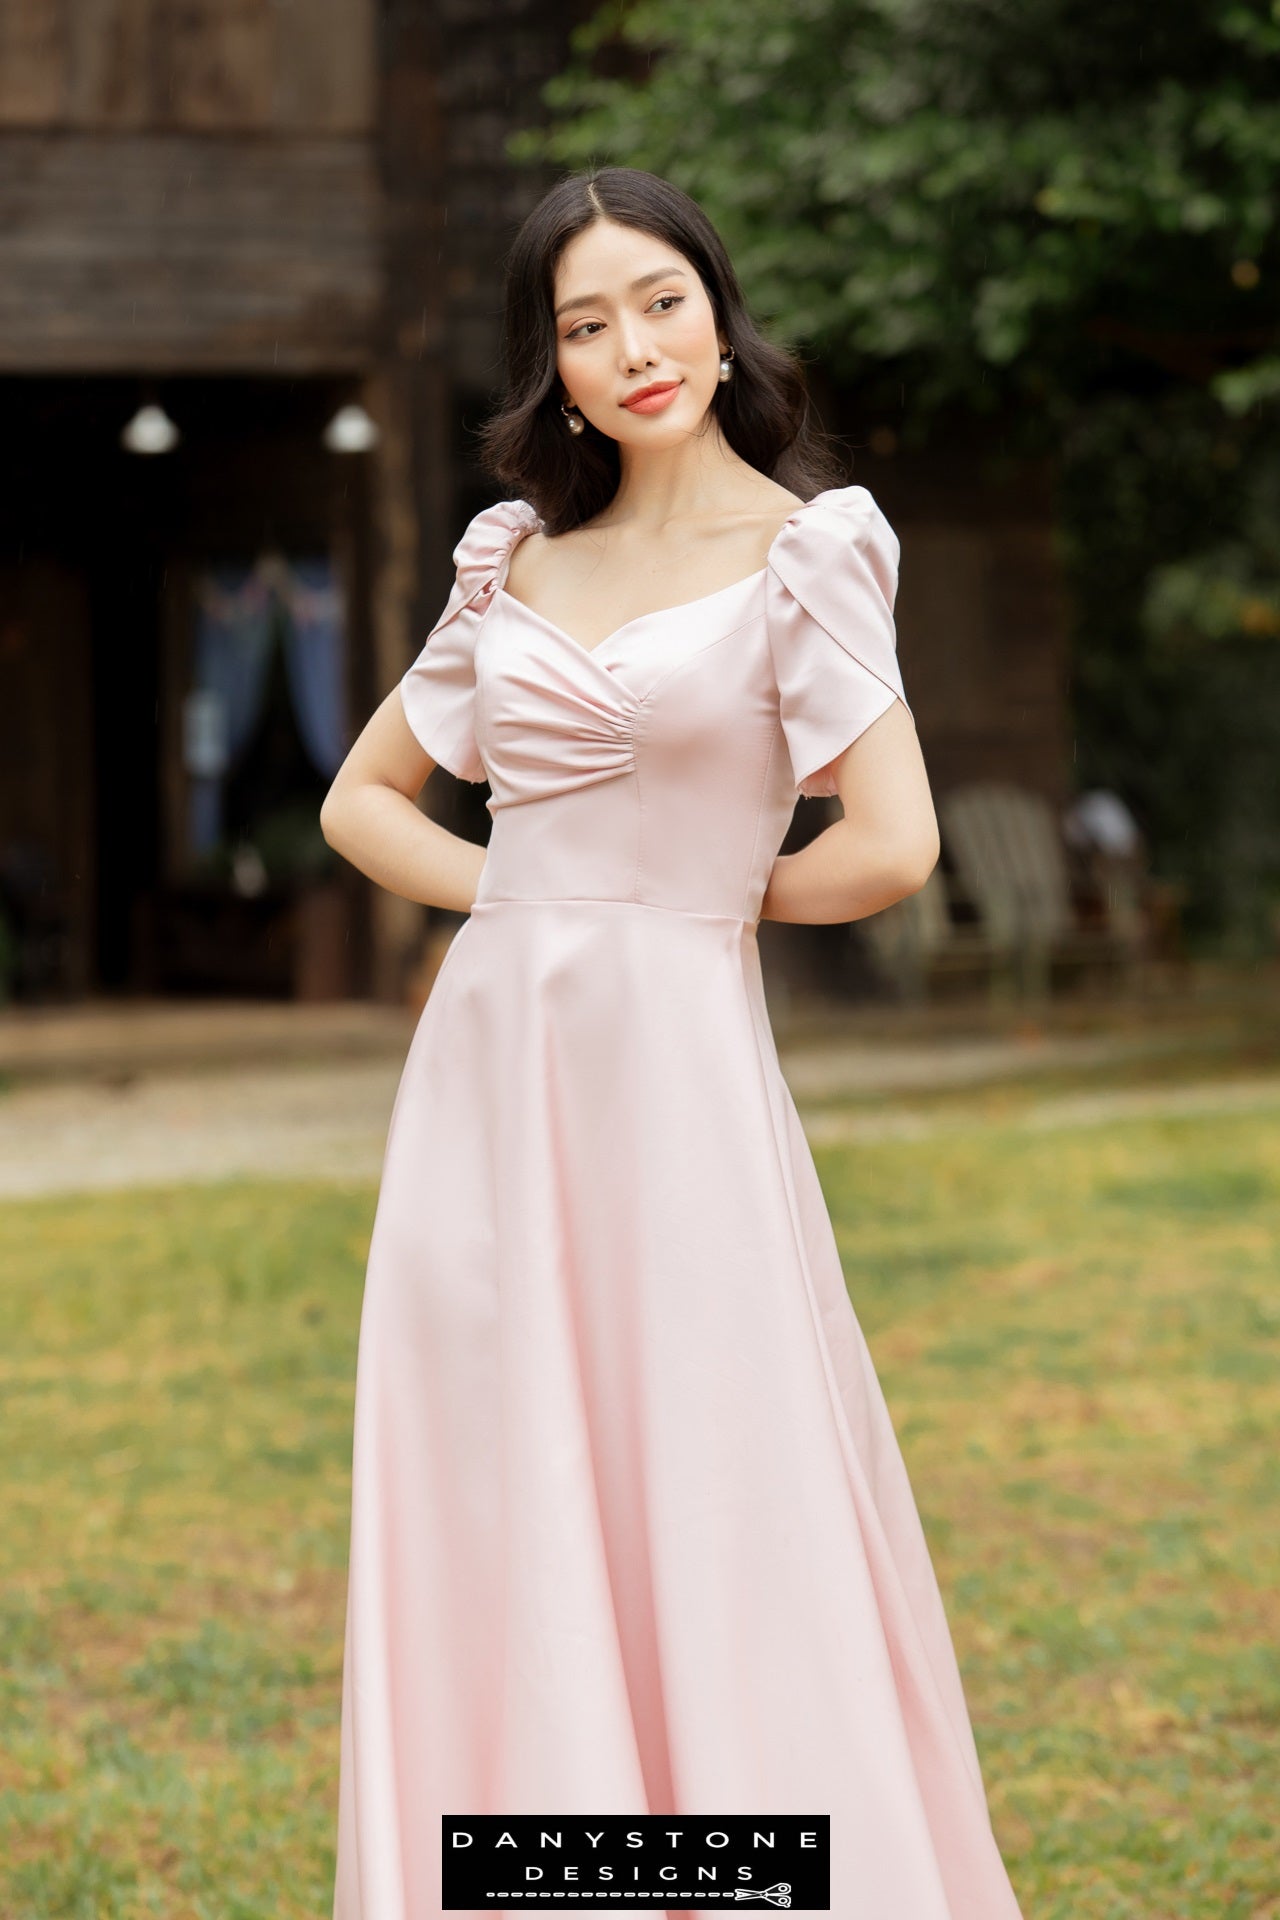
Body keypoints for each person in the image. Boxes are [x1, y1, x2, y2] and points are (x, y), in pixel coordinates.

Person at [320, 166, 1026, 1920]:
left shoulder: (808, 547)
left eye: (657, 301)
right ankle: (547, 1889)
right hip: (491, 1076)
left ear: (717, 316)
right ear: (552, 370)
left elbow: (892, 840)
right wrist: (531, 892)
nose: (629, 346)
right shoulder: (515, 559)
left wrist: (694, 899)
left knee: (711, 1472)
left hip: (679, 1071)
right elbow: (362, 805)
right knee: (504, 1482)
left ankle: (742, 1883)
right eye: (582, 324)